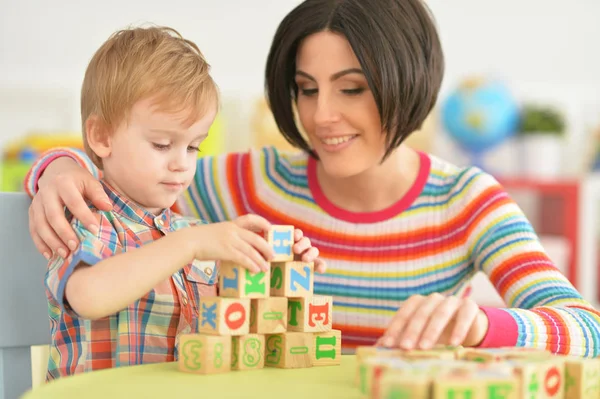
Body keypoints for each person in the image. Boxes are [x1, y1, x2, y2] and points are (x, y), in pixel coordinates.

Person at [26, 0, 599, 358]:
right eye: (306, 88)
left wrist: (483, 325)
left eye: (351, 88)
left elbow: (588, 330)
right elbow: (133, 179)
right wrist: (59, 167)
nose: (322, 115)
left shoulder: (467, 202)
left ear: (409, 82)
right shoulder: (245, 182)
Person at [38, 25, 322, 380]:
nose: (181, 163)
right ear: (101, 136)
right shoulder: (88, 217)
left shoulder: (195, 236)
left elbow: (242, 327)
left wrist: (276, 270)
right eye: (161, 144)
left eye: (193, 146)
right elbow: (87, 297)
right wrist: (189, 244)